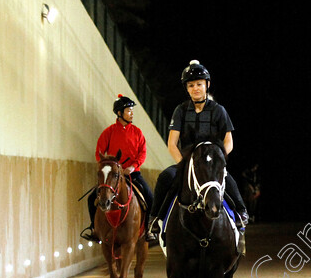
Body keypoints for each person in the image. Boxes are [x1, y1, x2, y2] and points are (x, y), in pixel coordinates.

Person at [147, 60, 248, 244]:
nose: (195, 88)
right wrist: (183, 164)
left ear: (207, 85)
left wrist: (219, 161)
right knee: (165, 178)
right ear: (186, 88)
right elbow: (172, 143)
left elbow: (229, 141)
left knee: (227, 180)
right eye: (191, 85)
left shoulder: (219, 110)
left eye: (199, 84)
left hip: (212, 161)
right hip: (188, 162)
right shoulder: (181, 111)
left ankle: (241, 213)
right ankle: (154, 220)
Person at [80, 95, 153, 242]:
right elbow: (99, 153)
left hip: (133, 174)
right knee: (91, 199)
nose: (132, 113)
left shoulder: (138, 132)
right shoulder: (109, 132)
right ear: (120, 113)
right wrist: (109, 167)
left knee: (150, 197)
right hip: (112, 175)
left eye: (132, 110)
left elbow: (142, 153)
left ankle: (148, 228)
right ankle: (93, 229)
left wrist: (133, 167)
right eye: (129, 110)